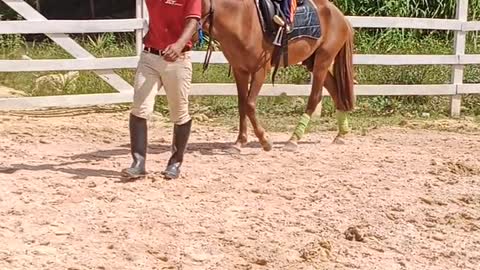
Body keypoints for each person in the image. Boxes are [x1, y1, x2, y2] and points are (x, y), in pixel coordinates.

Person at [121, 0, 201, 180]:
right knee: (140, 108)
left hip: (178, 60)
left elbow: (193, 20)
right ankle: (138, 163)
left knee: (180, 112)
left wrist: (179, 44)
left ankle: (175, 163)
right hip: (149, 57)